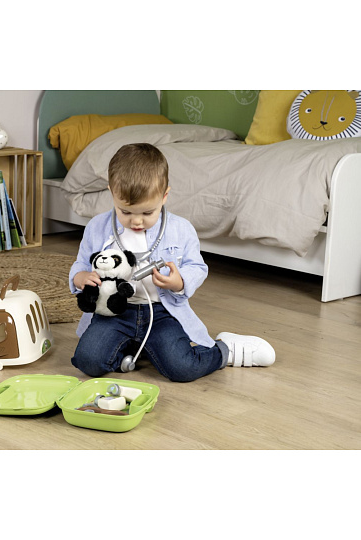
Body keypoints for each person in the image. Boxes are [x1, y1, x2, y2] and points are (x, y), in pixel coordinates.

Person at [69, 143, 275, 382]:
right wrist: (80, 278)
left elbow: (197, 267)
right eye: (125, 212)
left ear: (164, 196)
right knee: (88, 361)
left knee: (182, 368)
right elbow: (81, 263)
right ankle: (137, 348)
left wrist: (179, 282)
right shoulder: (97, 227)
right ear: (112, 193)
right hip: (114, 313)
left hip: (161, 313)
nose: (136, 221)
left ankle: (224, 350)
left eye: (147, 213)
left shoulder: (181, 229)